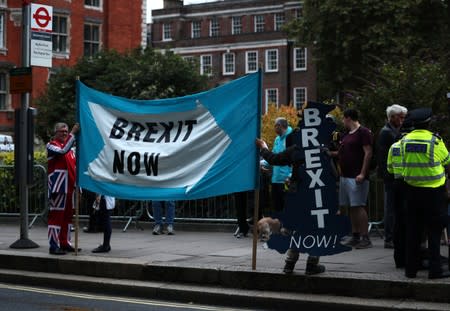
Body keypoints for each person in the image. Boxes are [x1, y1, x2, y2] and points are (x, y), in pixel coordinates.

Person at [255, 138, 325, 275]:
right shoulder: (321, 149)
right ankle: (312, 263)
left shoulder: (296, 149)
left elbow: (275, 159)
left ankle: (290, 263)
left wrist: (263, 147)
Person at [399, 108, 450, 279]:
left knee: (413, 232)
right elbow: (446, 160)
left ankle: (410, 270)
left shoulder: (404, 140)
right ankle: (435, 270)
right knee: (434, 232)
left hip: (412, 193)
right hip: (433, 194)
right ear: (428, 123)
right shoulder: (435, 141)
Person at [337, 109, 373, 249]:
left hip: (356, 176)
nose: (342, 121)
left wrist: (363, 173)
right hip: (345, 175)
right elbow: (342, 152)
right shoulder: (346, 135)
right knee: (351, 206)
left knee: (358, 205)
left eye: (343, 119)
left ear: (348, 118)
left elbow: (368, 153)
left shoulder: (363, 132)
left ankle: (365, 237)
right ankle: (355, 235)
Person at [377, 104, 408, 249]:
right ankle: (389, 238)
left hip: (395, 176)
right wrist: (388, 176)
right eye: (400, 117)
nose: (402, 120)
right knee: (391, 208)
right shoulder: (387, 133)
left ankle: (393, 237)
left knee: (394, 207)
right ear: (393, 117)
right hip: (391, 177)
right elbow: (383, 158)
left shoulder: (393, 131)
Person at [46, 122, 79, 255]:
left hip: (70, 188)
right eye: (62, 131)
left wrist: (78, 188)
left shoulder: (70, 151)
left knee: (67, 218)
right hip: (58, 187)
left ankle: (65, 243)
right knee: (56, 217)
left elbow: (74, 169)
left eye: (66, 131)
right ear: (56, 133)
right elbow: (62, 151)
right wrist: (73, 133)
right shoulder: (51, 145)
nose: (65, 133)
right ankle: (53, 245)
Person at [260, 117, 293, 212]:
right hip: (275, 180)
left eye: (275, 126)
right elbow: (274, 156)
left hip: (286, 181)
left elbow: (293, 159)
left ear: (280, 126)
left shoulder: (291, 137)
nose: (274, 128)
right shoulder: (277, 139)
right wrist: (262, 164)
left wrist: (291, 175)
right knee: (277, 208)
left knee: (287, 209)